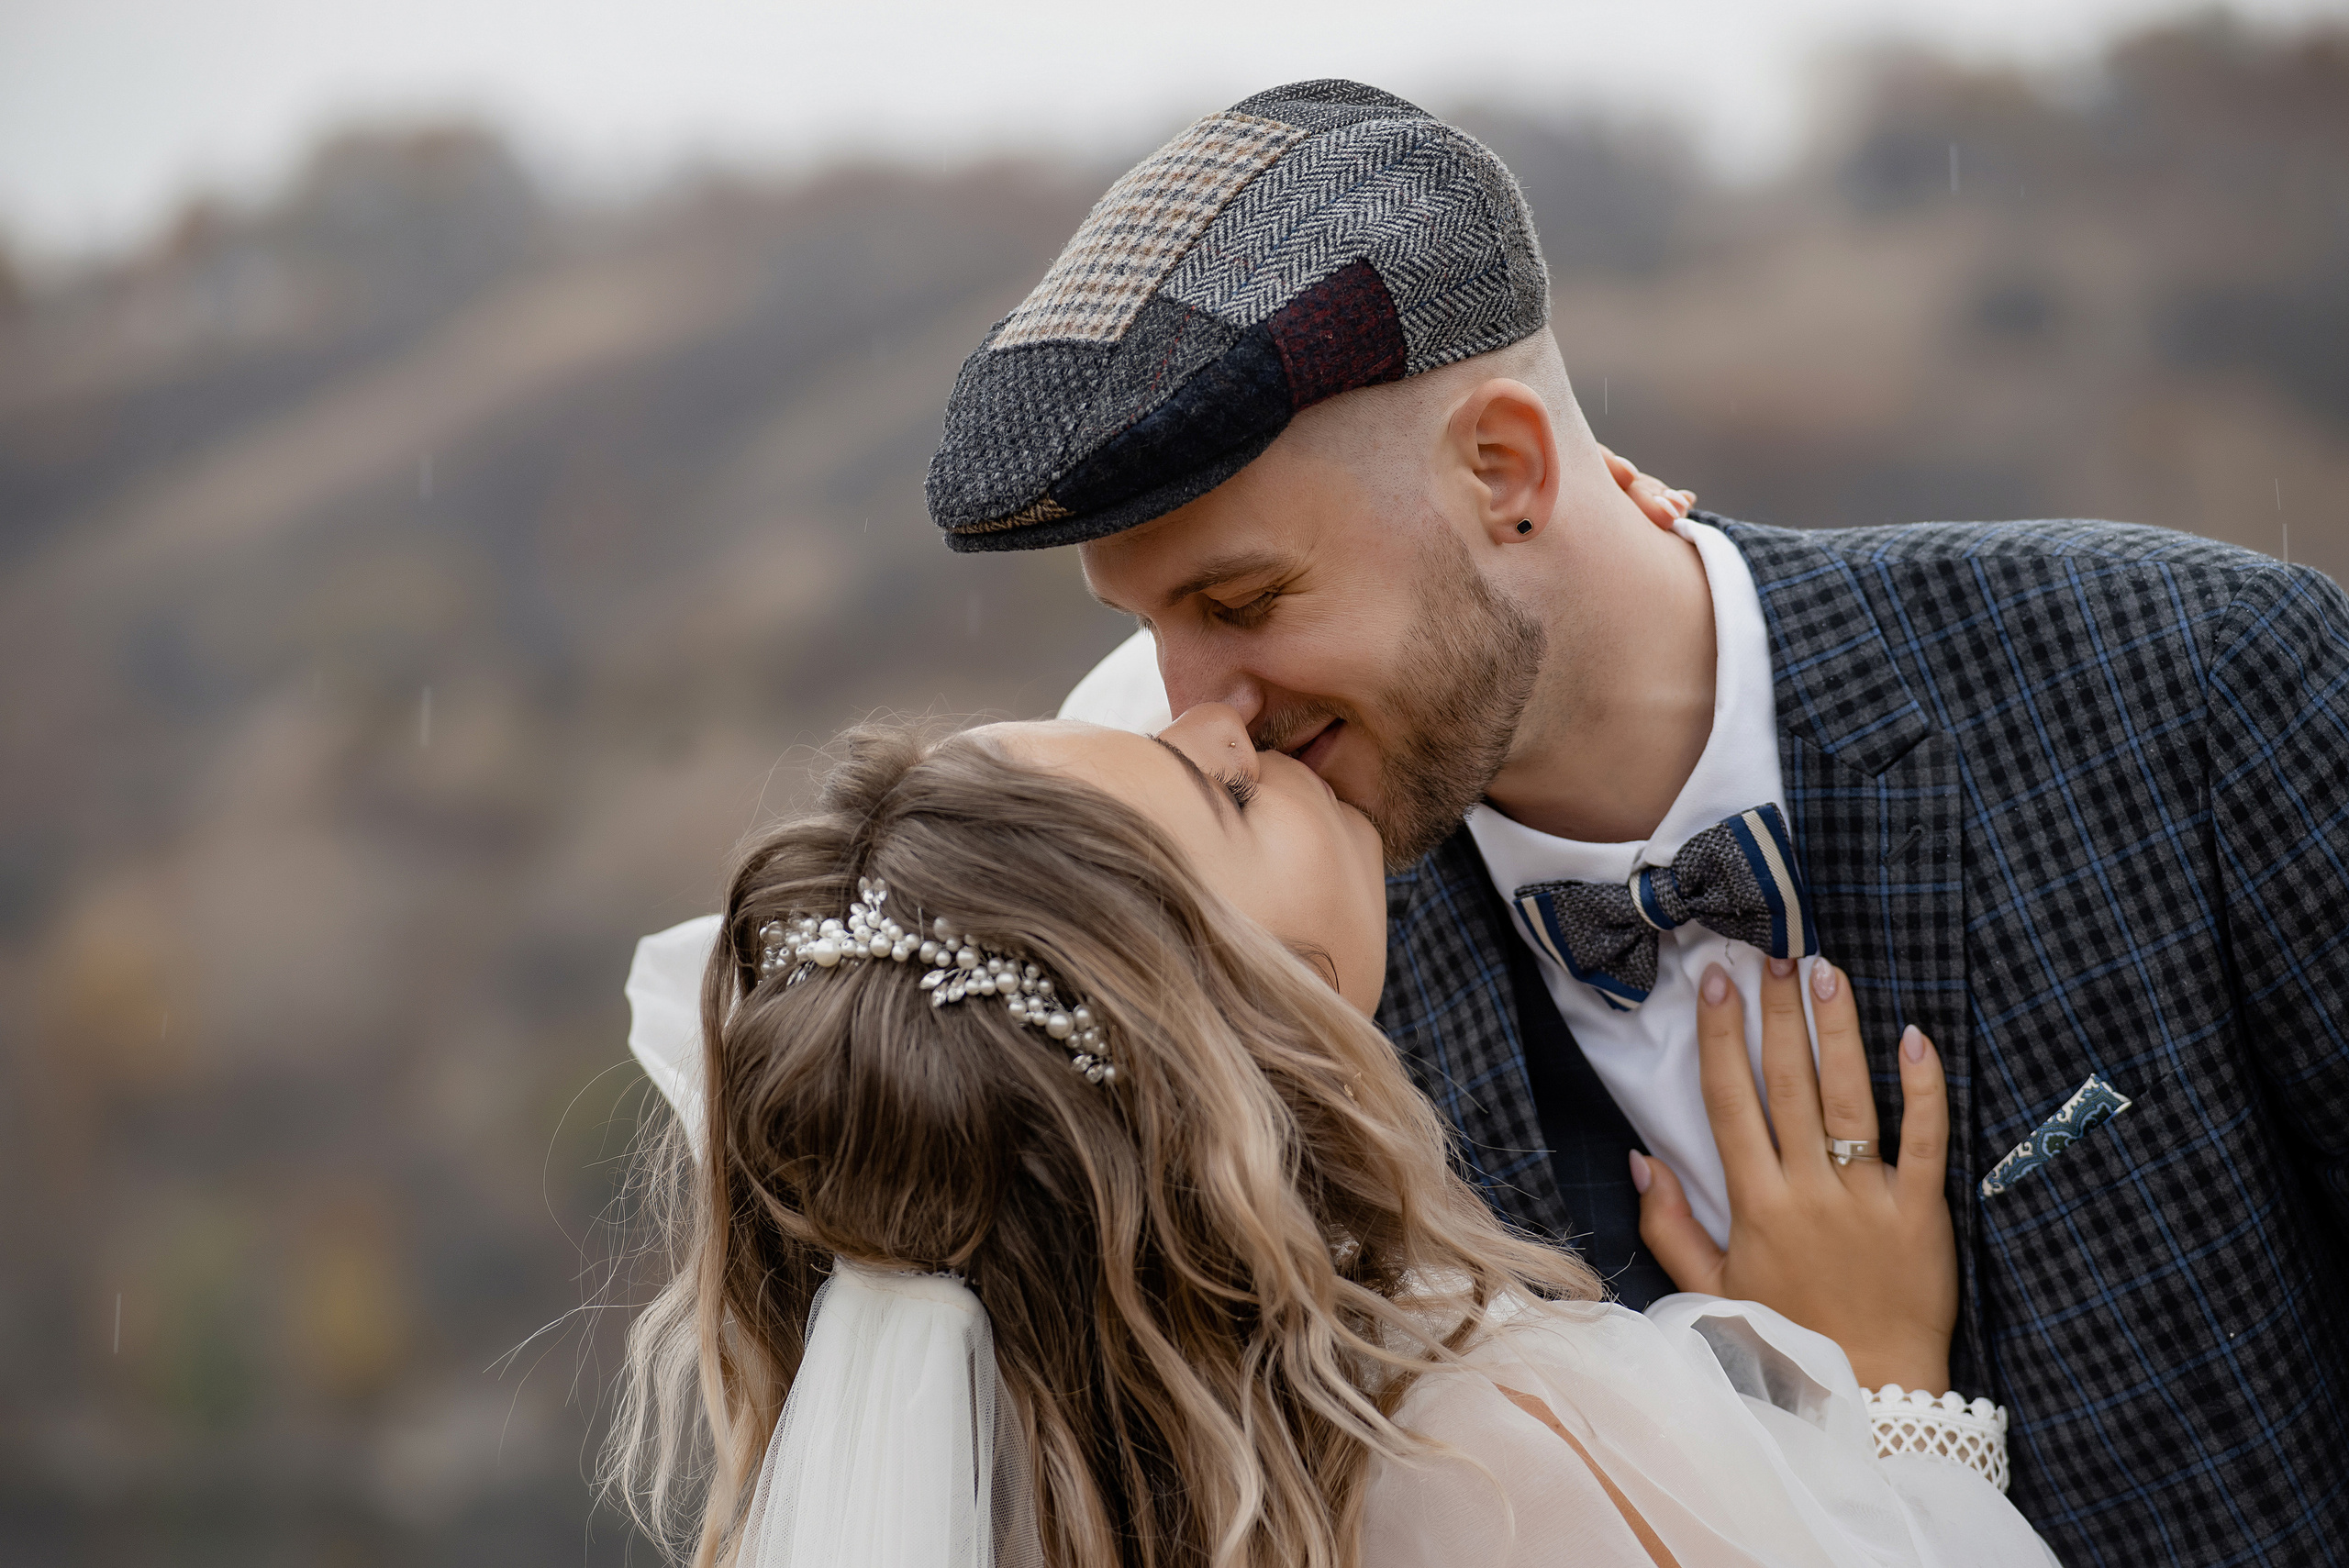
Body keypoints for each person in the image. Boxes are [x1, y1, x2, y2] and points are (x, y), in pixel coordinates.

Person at [937, 81, 2349, 1559]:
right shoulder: (1265, 991)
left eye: (1241, 602)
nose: (1197, 702)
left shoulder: (2196, 679)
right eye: (1153, 625)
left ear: (1508, 471)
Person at [610, 715, 2055, 1566]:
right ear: (1246, 1010)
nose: (1235, 721)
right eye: (1228, 792)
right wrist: (1890, 1401)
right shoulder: (1487, 1465)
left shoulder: (1012, 1500)